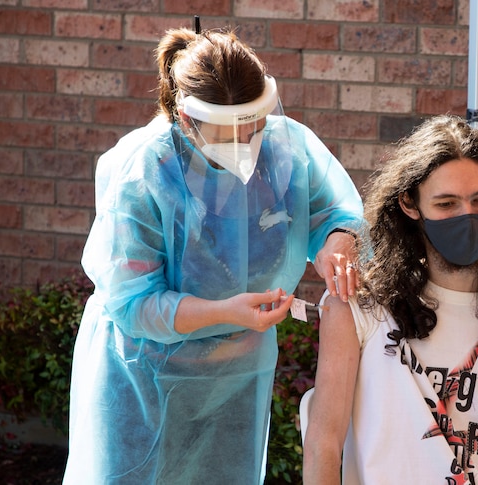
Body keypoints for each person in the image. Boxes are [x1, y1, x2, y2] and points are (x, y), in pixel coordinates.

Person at [63, 27, 364, 484]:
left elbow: (335, 212)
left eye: (256, 130)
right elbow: (134, 302)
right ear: (187, 119)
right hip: (145, 383)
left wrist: (337, 243)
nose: (248, 148)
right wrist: (225, 311)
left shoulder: (285, 150)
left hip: (236, 380)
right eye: (230, 136)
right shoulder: (144, 172)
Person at [302, 115, 478, 484]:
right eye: (447, 203)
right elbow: (324, 443)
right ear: (409, 204)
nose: (467, 216)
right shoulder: (358, 306)